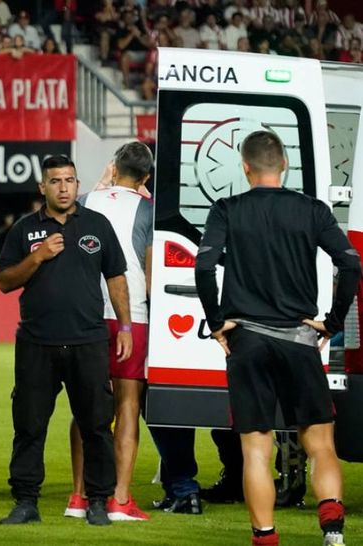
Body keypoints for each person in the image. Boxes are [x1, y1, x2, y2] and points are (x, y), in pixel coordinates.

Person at [196, 131, 360, 546]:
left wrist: (216, 321)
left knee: (256, 448)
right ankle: (333, 531)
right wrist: (334, 321)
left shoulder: (227, 209)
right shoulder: (312, 210)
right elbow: (350, 265)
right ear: (284, 164)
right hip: (301, 338)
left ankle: (266, 537)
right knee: (320, 442)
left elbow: (204, 267)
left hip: (247, 339)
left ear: (245, 167)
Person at [0, 155, 130, 526]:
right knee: (29, 427)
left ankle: (98, 501)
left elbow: (116, 278)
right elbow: (5, 281)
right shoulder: (25, 230)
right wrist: (37, 257)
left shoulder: (97, 225)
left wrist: (125, 327)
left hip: (88, 341)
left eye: (70, 180)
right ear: (43, 187)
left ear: (76, 183)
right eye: (55, 181)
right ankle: (26, 502)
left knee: (97, 426)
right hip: (37, 342)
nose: (64, 187)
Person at [67, 142, 154, 522]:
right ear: (147, 178)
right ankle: (119, 498)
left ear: (114, 167)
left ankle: (79, 496)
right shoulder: (149, 210)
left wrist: (102, 184)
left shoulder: (86, 201)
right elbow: (151, 276)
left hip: (85, 312)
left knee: (86, 405)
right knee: (127, 406)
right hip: (129, 314)